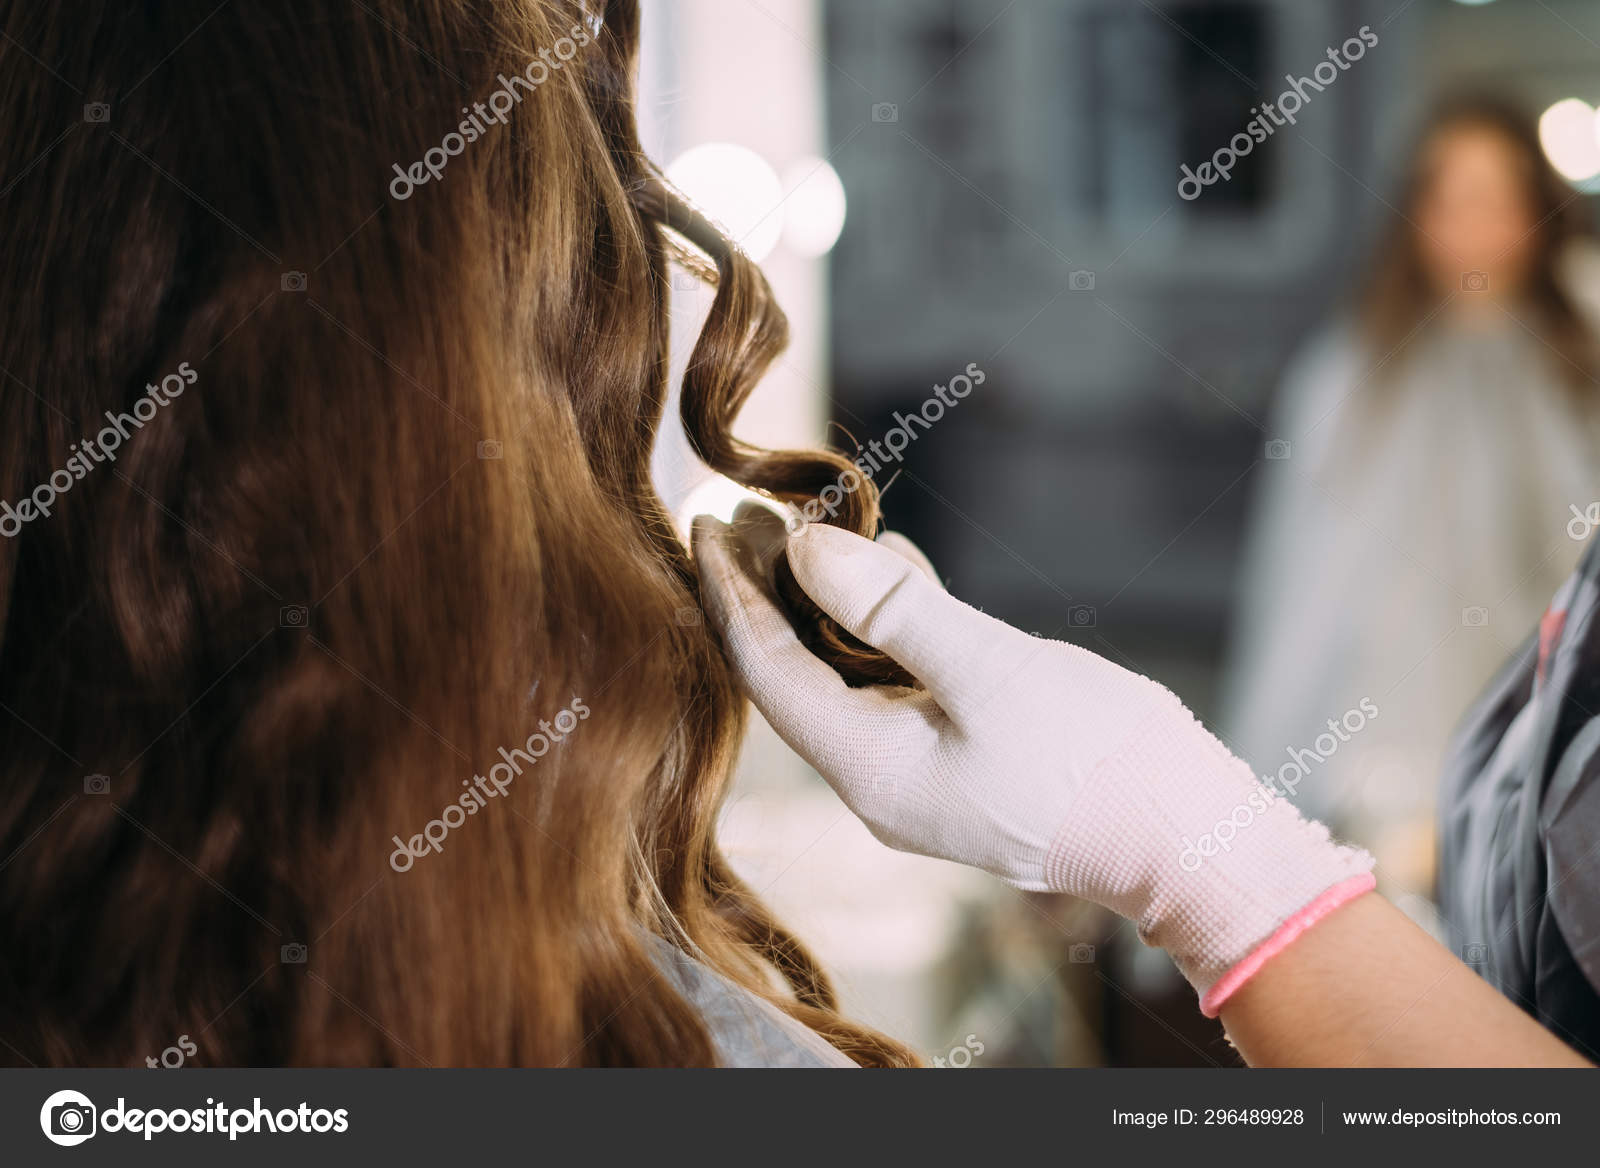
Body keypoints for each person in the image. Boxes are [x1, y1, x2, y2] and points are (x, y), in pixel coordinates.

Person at [1222, 94, 1600, 899]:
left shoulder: (1580, 357)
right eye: (1452, 198)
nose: (1474, 225)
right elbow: (1303, 594)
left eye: (1496, 199)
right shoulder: (1353, 376)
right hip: (1389, 759)